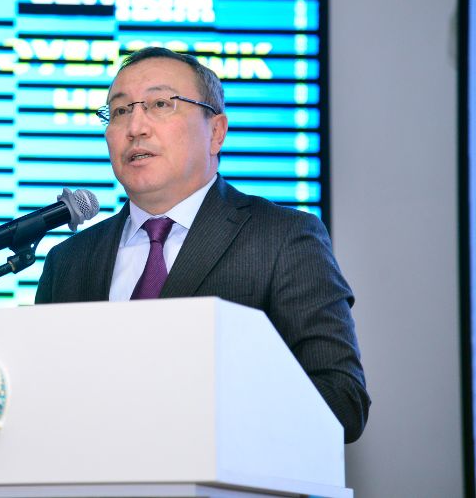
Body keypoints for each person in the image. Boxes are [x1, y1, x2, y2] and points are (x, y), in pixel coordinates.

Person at [35, 46, 370, 443]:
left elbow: (341, 401)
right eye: (120, 110)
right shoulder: (68, 261)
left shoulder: (283, 238)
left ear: (216, 132)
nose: (135, 126)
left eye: (161, 104)